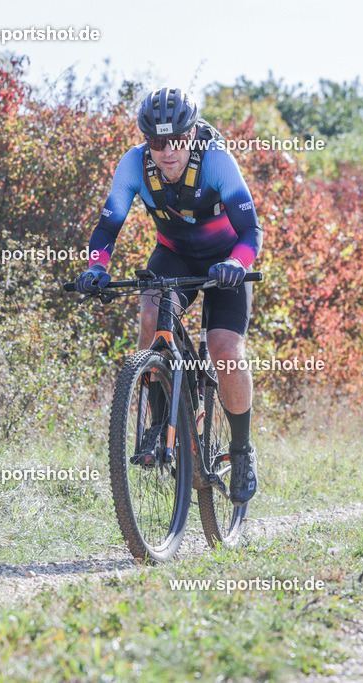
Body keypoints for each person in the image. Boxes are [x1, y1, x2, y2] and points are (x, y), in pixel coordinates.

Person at [73, 87, 263, 506]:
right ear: (147, 141)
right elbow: (107, 229)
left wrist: (237, 262)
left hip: (225, 262)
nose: (167, 151)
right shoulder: (133, 165)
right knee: (149, 316)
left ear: (192, 133)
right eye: (157, 142)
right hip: (175, 255)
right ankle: (160, 420)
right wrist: (96, 269)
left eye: (177, 139)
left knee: (224, 347)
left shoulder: (215, 159)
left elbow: (252, 231)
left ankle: (243, 451)